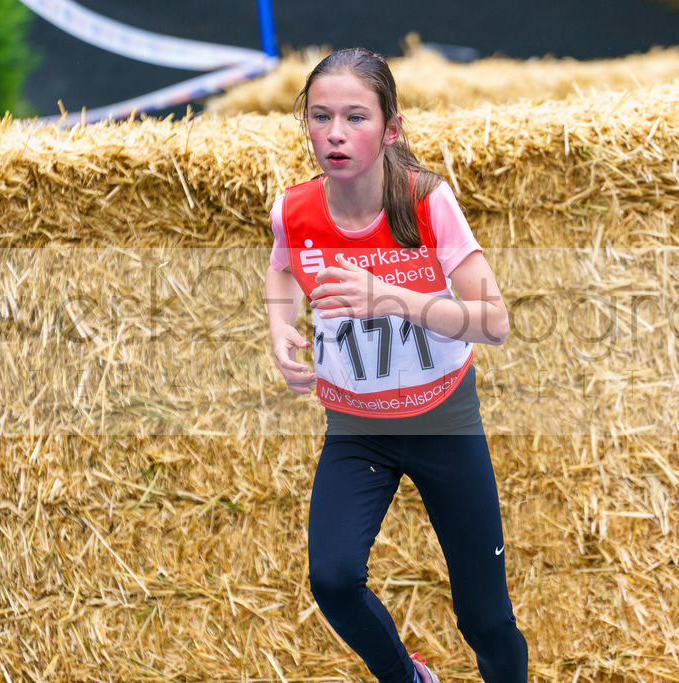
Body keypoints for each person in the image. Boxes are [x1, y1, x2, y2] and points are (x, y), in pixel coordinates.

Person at [263, 47, 529, 683]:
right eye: (321, 116)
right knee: (332, 578)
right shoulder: (293, 210)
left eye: (356, 117)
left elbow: (494, 321)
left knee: (485, 621)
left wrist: (387, 298)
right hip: (357, 429)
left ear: (391, 128)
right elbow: (281, 267)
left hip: (444, 422)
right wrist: (279, 326)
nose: (335, 133)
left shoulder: (426, 201)